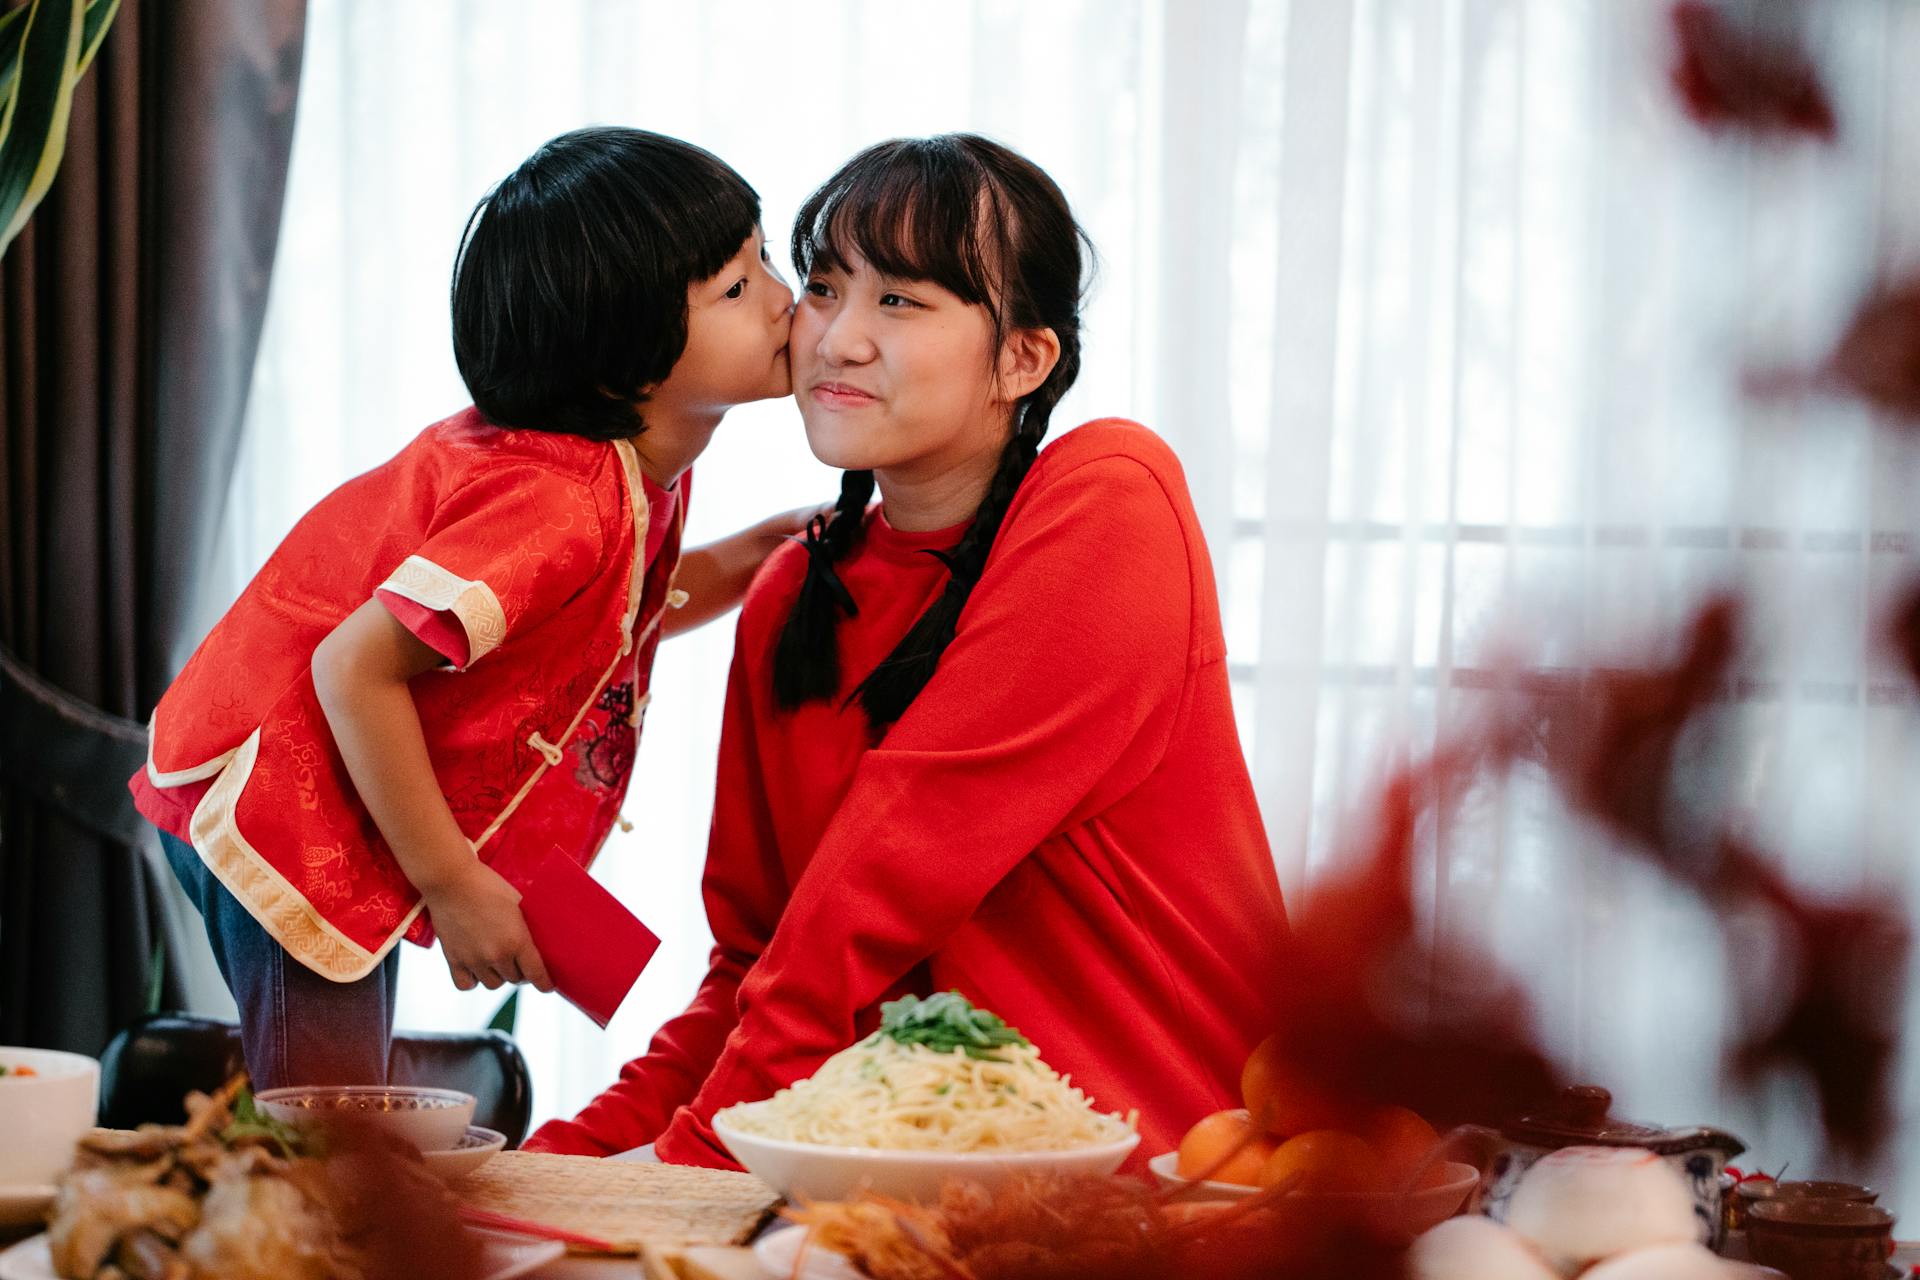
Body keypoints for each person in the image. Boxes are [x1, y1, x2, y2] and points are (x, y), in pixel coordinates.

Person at [527, 134, 1290, 1166]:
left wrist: (683, 1168)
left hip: (1163, 1190)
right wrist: (544, 1173)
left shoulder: (1113, 499)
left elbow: (889, 865)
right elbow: (761, 976)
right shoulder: (792, 592)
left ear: (1021, 358)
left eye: (900, 300)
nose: (835, 338)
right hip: (897, 1207)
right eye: (828, 285)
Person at [130, 126, 803, 1090]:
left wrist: (752, 554)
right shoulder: (556, 503)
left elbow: (599, 615)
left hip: (349, 781)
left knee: (363, 1086)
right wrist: (451, 884)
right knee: (329, 1127)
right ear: (626, 361)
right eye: (739, 289)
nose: (788, 299)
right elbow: (352, 668)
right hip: (282, 801)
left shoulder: (629, 472)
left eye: (766, 260)